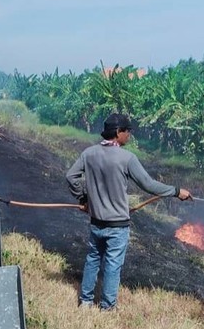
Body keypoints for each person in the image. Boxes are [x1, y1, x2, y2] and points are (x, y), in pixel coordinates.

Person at [66, 112, 191, 311]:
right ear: (118, 132)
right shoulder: (126, 158)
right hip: (117, 226)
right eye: (127, 131)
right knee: (113, 265)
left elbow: (71, 176)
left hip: (97, 222)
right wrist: (177, 192)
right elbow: (148, 185)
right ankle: (107, 307)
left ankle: (86, 302)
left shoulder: (88, 154)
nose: (129, 136)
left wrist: (83, 199)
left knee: (92, 259)